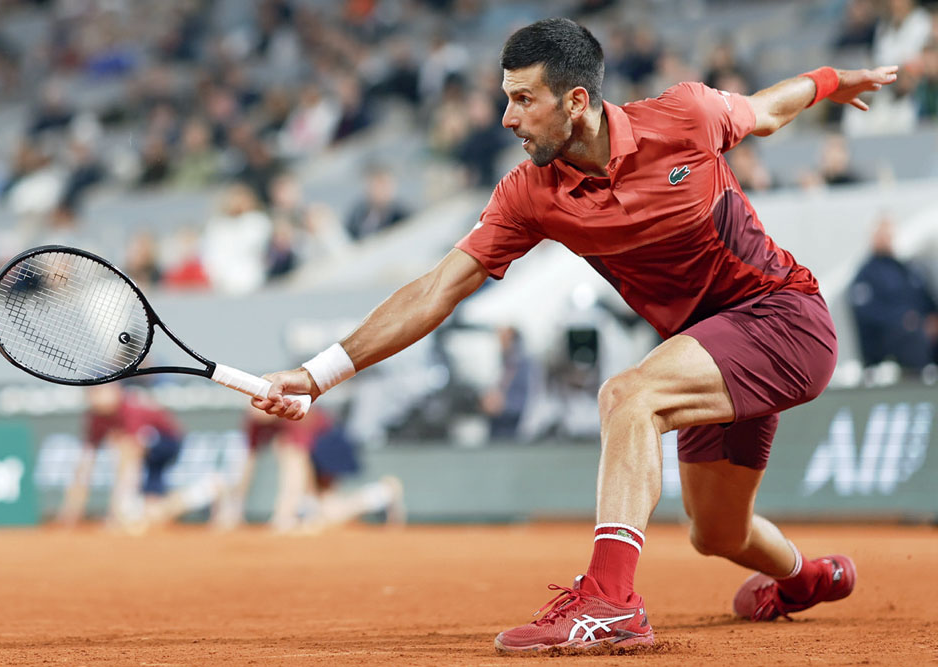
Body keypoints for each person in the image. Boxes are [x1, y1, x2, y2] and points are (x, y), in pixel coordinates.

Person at [251, 18, 897, 654]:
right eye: (507, 97)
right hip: (709, 345)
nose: (507, 118)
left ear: (576, 101)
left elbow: (766, 110)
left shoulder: (686, 116)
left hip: (784, 316)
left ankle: (610, 602)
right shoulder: (531, 194)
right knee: (717, 531)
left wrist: (832, 78)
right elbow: (435, 289)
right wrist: (317, 374)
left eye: (523, 99)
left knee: (629, 395)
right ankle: (806, 578)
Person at [58, 384, 224, 532]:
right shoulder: (96, 417)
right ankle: (206, 489)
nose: (97, 396)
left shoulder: (130, 408)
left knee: (123, 447)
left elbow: (131, 457)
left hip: (166, 443)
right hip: (147, 455)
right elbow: (85, 463)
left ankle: (206, 488)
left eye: (101, 390)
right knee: (152, 511)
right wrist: (71, 510)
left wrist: (117, 509)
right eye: (93, 392)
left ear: (115, 389)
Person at [213, 406, 404, 533]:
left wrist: (285, 515)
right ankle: (384, 493)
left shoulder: (289, 411)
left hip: (329, 445)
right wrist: (234, 508)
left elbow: (298, 464)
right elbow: (249, 461)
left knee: (323, 514)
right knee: (330, 513)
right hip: (313, 452)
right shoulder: (254, 419)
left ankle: (303, 512)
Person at [848, 216, 938, 373]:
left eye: (889, 234)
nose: (886, 239)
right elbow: (867, 311)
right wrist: (905, 319)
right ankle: (918, 389)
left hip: (919, 328)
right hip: (888, 338)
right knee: (912, 335)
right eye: (881, 234)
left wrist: (931, 319)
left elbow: (926, 300)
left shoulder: (908, 269)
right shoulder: (866, 274)